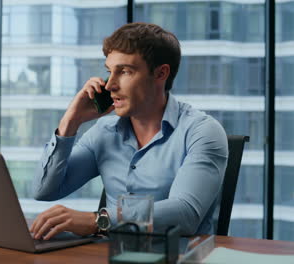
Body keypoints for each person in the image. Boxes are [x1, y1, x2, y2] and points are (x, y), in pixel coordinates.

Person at [29, 22, 228, 240]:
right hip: (111, 254)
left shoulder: (202, 131)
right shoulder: (104, 132)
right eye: (109, 72)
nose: (109, 85)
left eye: (124, 71)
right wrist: (71, 121)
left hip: (176, 257)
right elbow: (44, 191)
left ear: (161, 73)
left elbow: (185, 214)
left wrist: (97, 220)